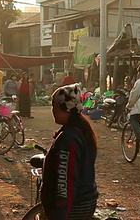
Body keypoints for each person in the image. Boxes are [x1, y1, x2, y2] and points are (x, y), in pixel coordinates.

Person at [41, 84, 98, 219]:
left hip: (73, 207)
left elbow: (65, 181)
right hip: (83, 202)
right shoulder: (80, 129)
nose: (52, 111)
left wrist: (59, 214)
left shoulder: (69, 138)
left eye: (54, 107)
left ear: (65, 109)